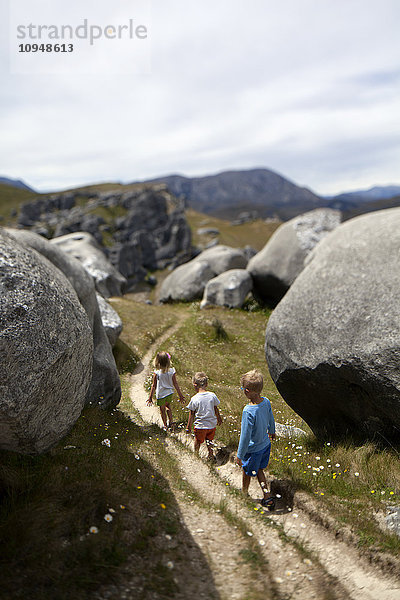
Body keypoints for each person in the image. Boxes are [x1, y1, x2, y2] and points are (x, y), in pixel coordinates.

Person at [235, 369, 276, 506]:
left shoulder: (248, 411)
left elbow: (245, 436)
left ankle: (244, 493)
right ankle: (267, 495)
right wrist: (272, 431)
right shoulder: (266, 402)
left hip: (253, 449)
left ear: (246, 391)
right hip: (265, 445)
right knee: (259, 470)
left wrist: (240, 455)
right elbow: (271, 418)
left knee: (247, 471)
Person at [186, 372, 222, 460]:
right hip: (211, 425)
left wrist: (188, 426)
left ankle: (196, 455)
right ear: (206, 384)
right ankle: (210, 454)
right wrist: (219, 418)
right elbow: (215, 408)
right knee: (209, 440)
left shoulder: (194, 398)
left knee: (198, 441)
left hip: (200, 425)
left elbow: (192, 414)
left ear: (195, 385)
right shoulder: (212, 395)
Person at [147, 351, 184, 430]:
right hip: (169, 393)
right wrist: (180, 395)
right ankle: (171, 422)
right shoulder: (172, 371)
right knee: (168, 406)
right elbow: (175, 384)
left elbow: (154, 385)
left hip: (160, 394)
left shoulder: (157, 372)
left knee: (162, 410)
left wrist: (150, 397)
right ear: (168, 361)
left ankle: (165, 425)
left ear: (157, 361)